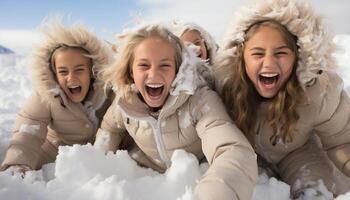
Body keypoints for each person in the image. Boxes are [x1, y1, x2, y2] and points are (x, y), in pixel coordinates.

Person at [93, 24, 257, 200]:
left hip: (194, 179)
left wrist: (218, 192)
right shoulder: (124, 102)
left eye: (164, 65)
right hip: (146, 179)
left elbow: (231, 149)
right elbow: (110, 129)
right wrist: (100, 164)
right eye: (143, 65)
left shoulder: (199, 100)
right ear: (131, 71)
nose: (154, 75)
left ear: (178, 70)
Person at [215, 0, 350, 198]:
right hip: (248, 155)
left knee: (315, 190)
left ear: (297, 57)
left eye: (281, 53)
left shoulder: (319, 91)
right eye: (258, 54)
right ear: (241, 58)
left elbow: (342, 142)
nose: (269, 63)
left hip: (297, 151)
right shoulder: (225, 85)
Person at [1, 20, 114, 174]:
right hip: (54, 153)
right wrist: (18, 163)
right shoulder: (46, 95)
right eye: (63, 72)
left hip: (98, 157)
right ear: (54, 74)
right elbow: (28, 130)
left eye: (79, 70)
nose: (71, 78)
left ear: (92, 72)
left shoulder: (107, 92)